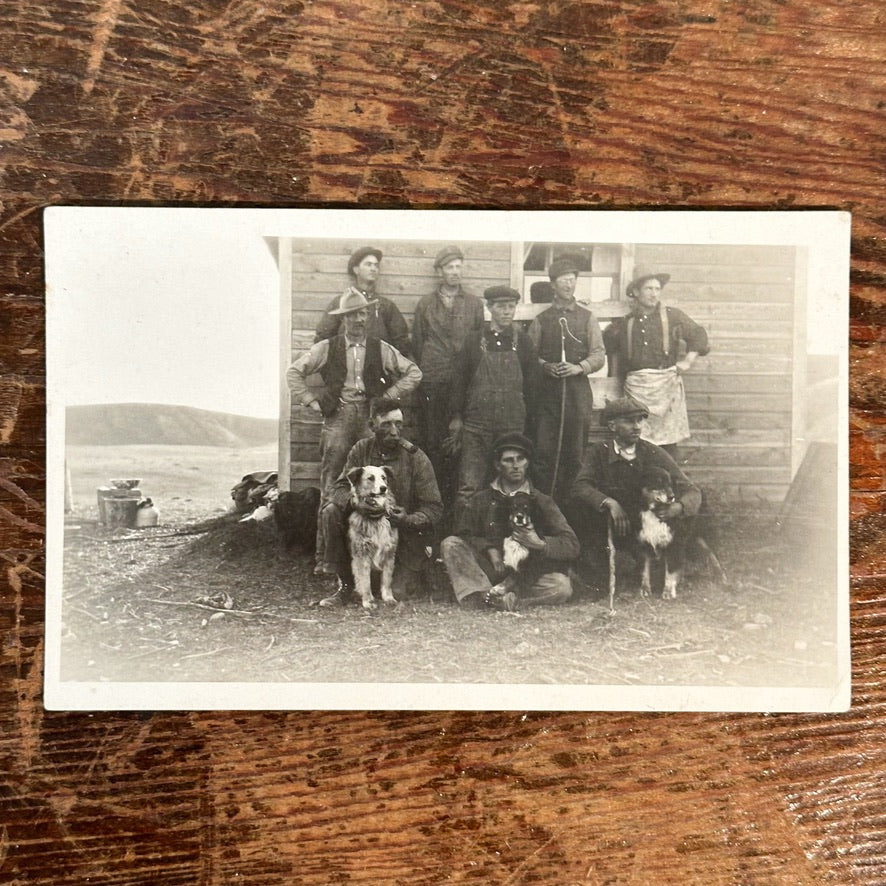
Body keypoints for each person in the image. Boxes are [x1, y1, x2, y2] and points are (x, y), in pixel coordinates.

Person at [286, 290, 422, 570]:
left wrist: (389, 397)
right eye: (351, 315)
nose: (357, 319)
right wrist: (311, 401)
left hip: (370, 419)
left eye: (362, 314)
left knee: (374, 483)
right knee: (331, 486)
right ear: (343, 319)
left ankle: (373, 558)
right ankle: (325, 559)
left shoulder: (380, 347)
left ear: (368, 316)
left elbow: (413, 373)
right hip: (338, 417)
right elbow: (294, 373)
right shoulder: (327, 347)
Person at [316, 397, 443, 607]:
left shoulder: (416, 458)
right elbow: (337, 489)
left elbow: (434, 508)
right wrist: (357, 504)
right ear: (372, 426)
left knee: (400, 592)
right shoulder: (360, 450)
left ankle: (392, 581)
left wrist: (408, 519)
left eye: (398, 424)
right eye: (386, 424)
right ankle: (345, 584)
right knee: (330, 511)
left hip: (400, 539)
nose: (394, 431)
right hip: (365, 533)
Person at [567, 398, 702, 581]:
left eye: (640, 420)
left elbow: (691, 490)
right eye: (629, 421)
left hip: (645, 524)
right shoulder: (599, 452)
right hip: (614, 522)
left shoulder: (653, 452)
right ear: (612, 426)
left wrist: (677, 508)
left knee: (651, 575)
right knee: (578, 508)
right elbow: (580, 486)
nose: (637, 426)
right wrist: (609, 503)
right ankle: (593, 567)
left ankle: (677, 562)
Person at [440, 433, 578, 611]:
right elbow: (463, 535)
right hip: (489, 571)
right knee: (450, 544)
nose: (515, 466)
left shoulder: (542, 501)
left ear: (527, 463)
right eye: (508, 460)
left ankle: (502, 600)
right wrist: (488, 548)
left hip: (527, 574)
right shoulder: (482, 499)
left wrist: (540, 544)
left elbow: (572, 544)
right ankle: (484, 594)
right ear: (498, 465)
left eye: (521, 459)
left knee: (561, 586)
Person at [602, 266, 709, 457]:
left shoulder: (672, 316)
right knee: (636, 440)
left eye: (657, 289)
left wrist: (687, 361)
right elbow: (610, 351)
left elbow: (699, 335)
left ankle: (666, 485)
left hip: (666, 388)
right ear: (635, 292)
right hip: (636, 388)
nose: (654, 294)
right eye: (648, 289)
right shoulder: (624, 323)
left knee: (667, 445)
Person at [447, 285, 540, 507]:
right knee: (470, 484)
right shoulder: (474, 341)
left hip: (511, 426)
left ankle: (511, 532)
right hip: (477, 425)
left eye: (511, 307)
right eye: (501, 307)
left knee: (512, 482)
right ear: (490, 308)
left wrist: (529, 422)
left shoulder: (524, 343)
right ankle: (464, 535)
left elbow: (533, 387)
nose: (507, 311)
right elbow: (459, 381)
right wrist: (456, 416)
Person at [411, 245, 485, 508]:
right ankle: (432, 506)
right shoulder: (426, 304)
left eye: (458, 266)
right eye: (449, 267)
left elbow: (478, 344)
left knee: (463, 444)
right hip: (433, 382)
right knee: (433, 442)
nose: (455, 272)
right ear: (439, 271)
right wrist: (431, 366)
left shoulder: (474, 304)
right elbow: (418, 343)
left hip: (465, 384)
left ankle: (458, 510)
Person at [528, 254, 605, 503]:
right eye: (563, 281)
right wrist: (546, 366)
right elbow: (529, 357)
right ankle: (543, 503)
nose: (568, 285)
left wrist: (579, 367)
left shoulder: (587, 317)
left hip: (577, 394)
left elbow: (599, 354)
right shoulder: (541, 320)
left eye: (572, 280)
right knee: (544, 450)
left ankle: (574, 507)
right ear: (553, 285)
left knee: (576, 451)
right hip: (547, 396)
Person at [314, 246, 412, 357]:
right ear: (356, 270)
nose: (373, 269)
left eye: (376, 265)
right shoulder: (340, 303)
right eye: (368, 264)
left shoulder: (386, 306)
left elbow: (401, 342)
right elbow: (322, 339)